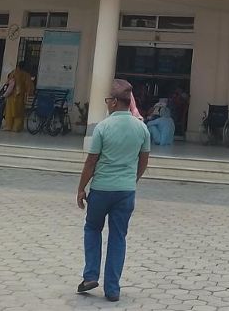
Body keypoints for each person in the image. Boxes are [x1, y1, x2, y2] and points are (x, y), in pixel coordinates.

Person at [76, 79, 151, 303]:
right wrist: (132, 180)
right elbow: (144, 161)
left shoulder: (103, 127)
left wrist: (81, 188)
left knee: (92, 228)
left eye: (108, 100)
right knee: (118, 237)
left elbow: (91, 162)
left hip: (101, 189)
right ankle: (112, 288)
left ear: (116, 102)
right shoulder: (141, 128)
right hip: (126, 191)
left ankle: (91, 275)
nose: (107, 103)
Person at [3, 63, 31, 133]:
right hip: (20, 96)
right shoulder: (26, 75)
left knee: (9, 112)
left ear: (18, 66)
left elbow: (8, 82)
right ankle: (16, 127)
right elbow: (29, 86)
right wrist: (28, 94)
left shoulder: (13, 73)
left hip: (11, 96)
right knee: (18, 113)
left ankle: (8, 126)